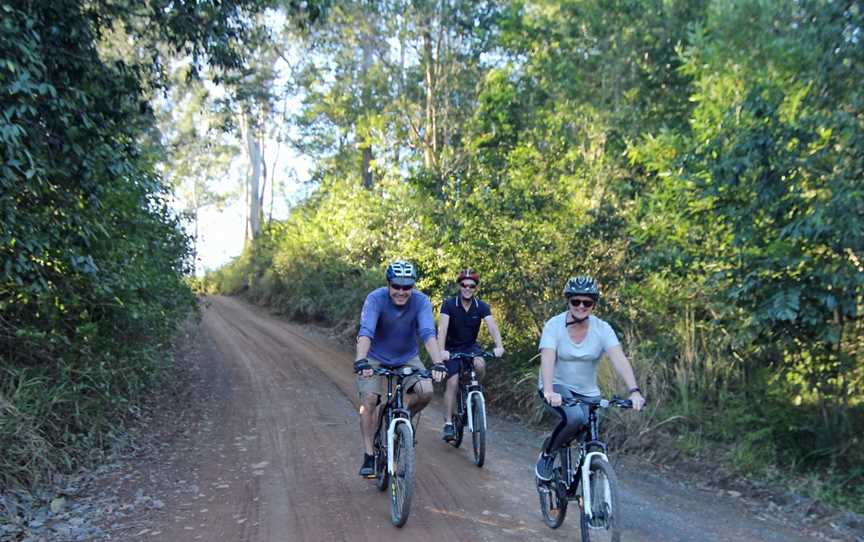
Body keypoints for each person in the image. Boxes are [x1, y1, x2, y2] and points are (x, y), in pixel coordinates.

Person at [535, 276, 645, 481]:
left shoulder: (602, 329)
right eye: (576, 301)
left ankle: (590, 486)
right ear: (568, 301)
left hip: (588, 393)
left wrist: (634, 391)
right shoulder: (554, 325)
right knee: (574, 417)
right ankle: (548, 454)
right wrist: (549, 390)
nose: (581, 306)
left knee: (588, 428)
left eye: (587, 302)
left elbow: (619, 358)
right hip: (557, 386)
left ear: (593, 304)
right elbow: (547, 358)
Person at [354, 260, 447, 477]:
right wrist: (361, 361)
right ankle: (369, 455)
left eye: (407, 287)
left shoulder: (421, 301)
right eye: (397, 286)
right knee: (369, 400)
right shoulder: (375, 299)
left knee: (426, 391)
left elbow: (427, 332)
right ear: (388, 284)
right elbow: (366, 331)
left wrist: (438, 362)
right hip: (375, 357)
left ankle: (403, 419)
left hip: (407, 357)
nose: (402, 292)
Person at [437, 268, 505, 443]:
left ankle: (473, 393)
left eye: (471, 286)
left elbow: (492, 327)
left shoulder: (481, 306)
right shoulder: (449, 304)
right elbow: (442, 328)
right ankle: (448, 423)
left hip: (471, 347)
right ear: (459, 286)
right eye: (464, 285)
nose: (467, 288)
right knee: (452, 382)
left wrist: (499, 346)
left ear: (476, 288)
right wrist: (441, 350)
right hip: (451, 348)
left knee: (480, 365)